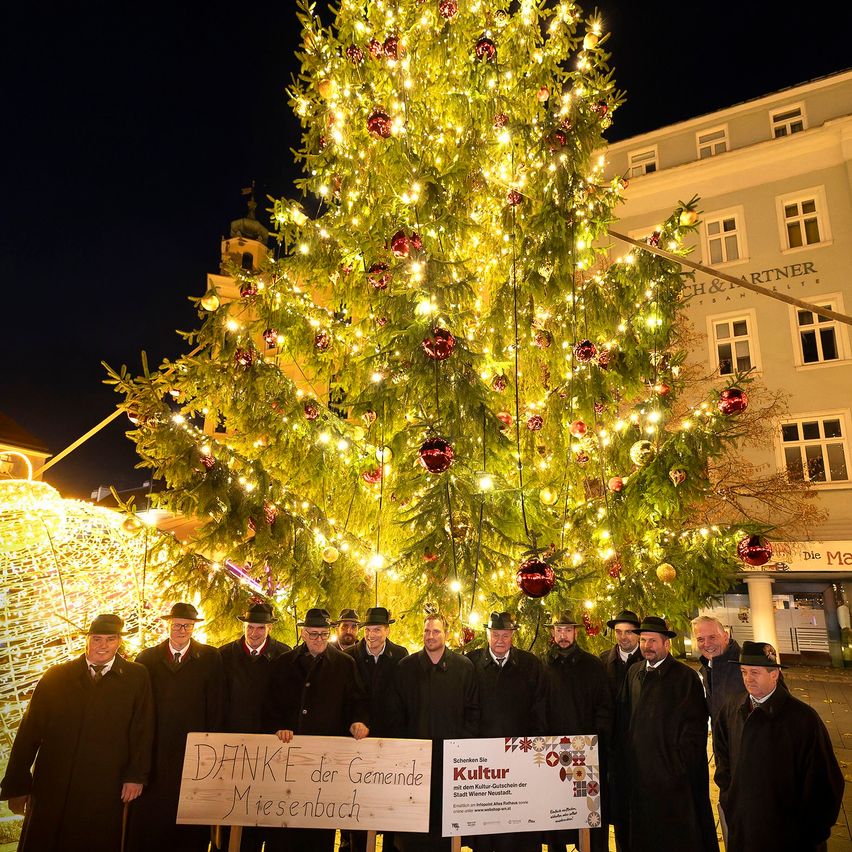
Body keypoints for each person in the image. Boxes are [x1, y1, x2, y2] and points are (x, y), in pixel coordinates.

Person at [1, 613, 154, 852]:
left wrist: (136, 775)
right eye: (97, 638)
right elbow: (29, 732)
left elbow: (143, 729)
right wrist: (18, 785)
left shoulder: (136, 677)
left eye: (110, 639)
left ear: (119, 642)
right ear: (88, 640)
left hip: (104, 784)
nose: (103, 645)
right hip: (54, 782)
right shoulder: (57, 676)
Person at [713, 640, 844, 852]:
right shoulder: (732, 708)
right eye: (744, 672)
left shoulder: (803, 719)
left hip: (789, 836)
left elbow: (824, 781)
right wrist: (731, 798)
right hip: (744, 829)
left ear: (774, 674)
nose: (748, 678)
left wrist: (812, 832)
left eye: (755, 672)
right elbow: (722, 755)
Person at [266, 607, 370, 852]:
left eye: (324, 634)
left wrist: (358, 721)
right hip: (288, 759)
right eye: (313, 634)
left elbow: (357, 700)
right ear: (303, 634)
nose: (319, 640)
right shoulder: (284, 663)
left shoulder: (345, 664)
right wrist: (279, 727)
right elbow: (271, 704)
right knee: (284, 829)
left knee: (318, 830)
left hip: (325, 764)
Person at [127, 602, 224, 852]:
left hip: (194, 752)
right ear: (168, 625)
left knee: (189, 823)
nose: (182, 630)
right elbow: (138, 708)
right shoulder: (147, 659)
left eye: (187, 625)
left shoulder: (211, 658)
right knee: (152, 819)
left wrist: (210, 747)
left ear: (193, 628)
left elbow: (216, 706)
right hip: (155, 749)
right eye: (177, 624)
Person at [616, 615, 718, 852]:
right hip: (639, 777)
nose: (647, 646)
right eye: (643, 640)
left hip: (672, 781)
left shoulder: (686, 678)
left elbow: (694, 732)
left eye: (653, 641)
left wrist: (677, 768)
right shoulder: (634, 672)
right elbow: (625, 718)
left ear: (666, 644)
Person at [391, 612, 480, 852]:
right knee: (414, 827)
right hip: (414, 762)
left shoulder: (464, 668)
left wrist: (463, 749)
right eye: (427, 631)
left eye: (436, 631)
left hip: (451, 761)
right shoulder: (405, 668)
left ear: (446, 634)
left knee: (446, 824)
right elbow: (397, 714)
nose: (430, 636)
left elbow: (472, 712)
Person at [466, 611, 546, 852]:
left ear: (513, 636)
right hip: (484, 763)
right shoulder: (470, 663)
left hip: (520, 759)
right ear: (487, 635)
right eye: (495, 634)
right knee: (485, 827)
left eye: (505, 635)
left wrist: (534, 748)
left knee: (519, 826)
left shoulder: (530, 664)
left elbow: (539, 708)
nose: (500, 640)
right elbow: (465, 708)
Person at [218, 601, 291, 852]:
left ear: (269, 629)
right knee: (232, 812)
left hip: (270, 748)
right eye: (250, 627)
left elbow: (288, 700)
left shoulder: (284, 655)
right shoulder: (225, 655)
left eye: (260, 628)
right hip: (233, 747)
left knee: (264, 810)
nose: (254, 633)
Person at [543, 611, 613, 852]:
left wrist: (594, 743)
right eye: (559, 631)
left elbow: (604, 708)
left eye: (568, 631)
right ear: (552, 633)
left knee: (588, 818)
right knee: (555, 816)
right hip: (551, 756)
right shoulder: (542, 665)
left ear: (575, 633)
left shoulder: (593, 666)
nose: (563, 636)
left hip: (586, 756)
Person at [344, 606, 409, 852]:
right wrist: (355, 721)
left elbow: (403, 697)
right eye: (368, 630)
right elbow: (348, 696)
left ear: (387, 630)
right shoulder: (350, 656)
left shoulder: (401, 655)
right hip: (358, 741)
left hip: (389, 741)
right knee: (358, 804)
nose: (372, 635)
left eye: (377, 630)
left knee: (388, 803)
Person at [692, 615, 743, 721]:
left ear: (725, 637)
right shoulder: (707, 669)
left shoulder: (746, 665)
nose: (707, 644)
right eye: (700, 639)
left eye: (712, 637)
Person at [598, 609, 642, 696]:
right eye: (618, 632)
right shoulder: (603, 659)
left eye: (628, 632)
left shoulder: (648, 659)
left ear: (638, 634)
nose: (623, 637)